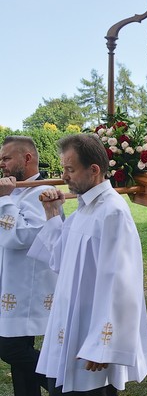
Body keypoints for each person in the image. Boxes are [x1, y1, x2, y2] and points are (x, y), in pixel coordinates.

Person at [28, 134, 147, 394]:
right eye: (64, 169)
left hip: (90, 334)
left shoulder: (113, 212)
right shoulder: (84, 209)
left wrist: (104, 344)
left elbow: (122, 283)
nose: (64, 177)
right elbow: (61, 259)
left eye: (70, 169)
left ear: (94, 170)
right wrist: (52, 213)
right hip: (69, 324)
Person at [0, 136, 58, 396]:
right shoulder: (16, 192)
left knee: (11, 349)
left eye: (6, 158)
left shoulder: (41, 192)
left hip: (27, 287)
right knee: (18, 354)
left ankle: (65, 387)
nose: (2, 164)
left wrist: (4, 200)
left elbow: (21, 236)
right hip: (12, 284)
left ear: (27, 158)